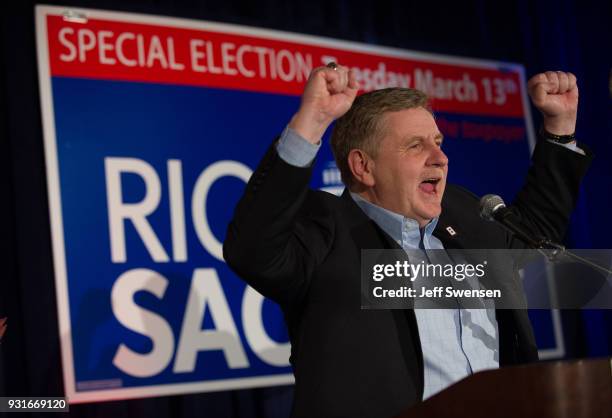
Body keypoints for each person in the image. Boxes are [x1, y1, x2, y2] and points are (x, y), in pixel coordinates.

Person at [223, 63, 591, 418]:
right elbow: (252, 248)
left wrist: (559, 130)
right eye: (416, 146)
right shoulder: (327, 229)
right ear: (362, 167)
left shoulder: (462, 214)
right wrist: (311, 123)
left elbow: (532, 234)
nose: (441, 158)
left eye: (438, 142)